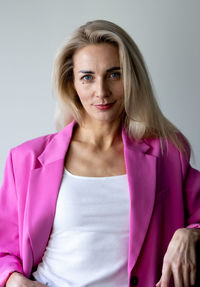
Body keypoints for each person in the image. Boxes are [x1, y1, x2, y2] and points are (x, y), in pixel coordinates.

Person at [0, 19, 200, 287]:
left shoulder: (167, 154)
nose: (102, 92)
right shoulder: (26, 159)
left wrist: (190, 235)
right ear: (71, 83)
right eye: (87, 77)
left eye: (115, 74)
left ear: (131, 78)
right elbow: (3, 249)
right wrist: (14, 281)